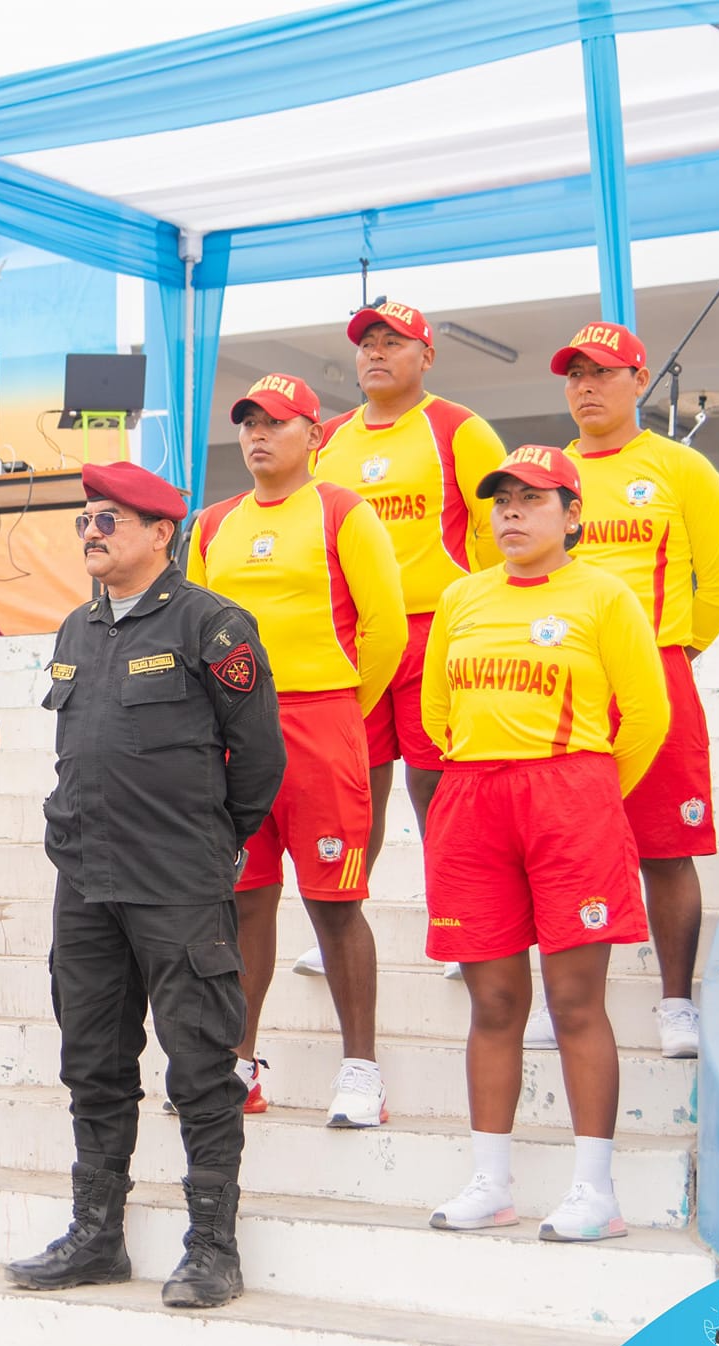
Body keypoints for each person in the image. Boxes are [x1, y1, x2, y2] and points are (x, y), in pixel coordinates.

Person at [6, 462, 282, 1310]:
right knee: (92, 1060)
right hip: (86, 880)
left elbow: (260, 760)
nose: (92, 532)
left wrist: (209, 842)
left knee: (200, 1064)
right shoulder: (74, 631)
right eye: (86, 520)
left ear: (162, 533)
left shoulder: (213, 625)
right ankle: (97, 1236)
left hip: (176, 880)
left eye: (110, 520)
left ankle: (213, 1245)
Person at [421, 445, 670, 1242]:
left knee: (573, 1001)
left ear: (573, 515)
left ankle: (595, 1191)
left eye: (534, 499)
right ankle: (492, 1183)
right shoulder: (461, 597)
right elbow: (436, 717)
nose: (513, 514)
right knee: (493, 1001)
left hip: (571, 797)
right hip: (474, 799)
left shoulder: (606, 595)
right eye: (501, 500)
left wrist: (587, 794)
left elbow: (648, 716)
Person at [187, 374, 406, 1124]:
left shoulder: (345, 511)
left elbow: (387, 630)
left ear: (315, 434)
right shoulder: (212, 523)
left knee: (334, 904)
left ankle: (361, 1070)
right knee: (245, 902)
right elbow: (191, 632)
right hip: (233, 733)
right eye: (248, 421)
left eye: (276, 422)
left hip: (320, 723)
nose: (258, 434)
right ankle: (239, 1066)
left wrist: (341, 709)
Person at [301, 303, 505, 984]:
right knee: (356, 787)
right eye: (366, 344)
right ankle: (337, 917)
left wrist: (477, 617)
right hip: (354, 633)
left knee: (438, 786)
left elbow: (498, 529)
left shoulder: (460, 429)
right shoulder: (326, 437)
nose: (376, 355)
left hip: (434, 629)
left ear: (427, 356)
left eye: (394, 343)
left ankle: (460, 926)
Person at [553, 322, 719, 1060]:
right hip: (561, 680)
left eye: (602, 373)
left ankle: (674, 1000)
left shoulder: (680, 467)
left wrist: (675, 650)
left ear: (639, 380)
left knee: (665, 845)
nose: (586, 387)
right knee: (561, 848)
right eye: (574, 375)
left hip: (656, 671)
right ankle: (561, 998)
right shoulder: (540, 474)